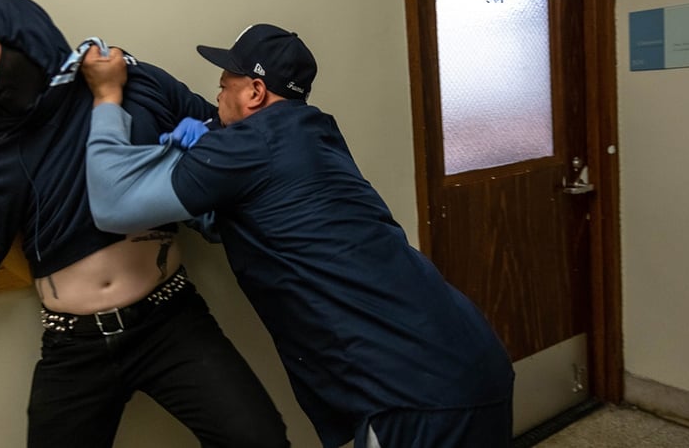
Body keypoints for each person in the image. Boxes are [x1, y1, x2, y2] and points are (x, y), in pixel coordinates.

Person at [82, 24, 516, 448]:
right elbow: (261, 221)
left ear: (254, 92)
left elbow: (112, 206)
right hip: (464, 357)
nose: (216, 98)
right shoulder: (316, 131)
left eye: (224, 85)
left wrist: (106, 98)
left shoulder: (250, 145)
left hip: (415, 393)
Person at [0, 0, 290, 448]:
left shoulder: (129, 80)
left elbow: (231, 137)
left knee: (259, 439)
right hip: (74, 346)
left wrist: (203, 140)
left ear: (21, 36)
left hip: (171, 321)